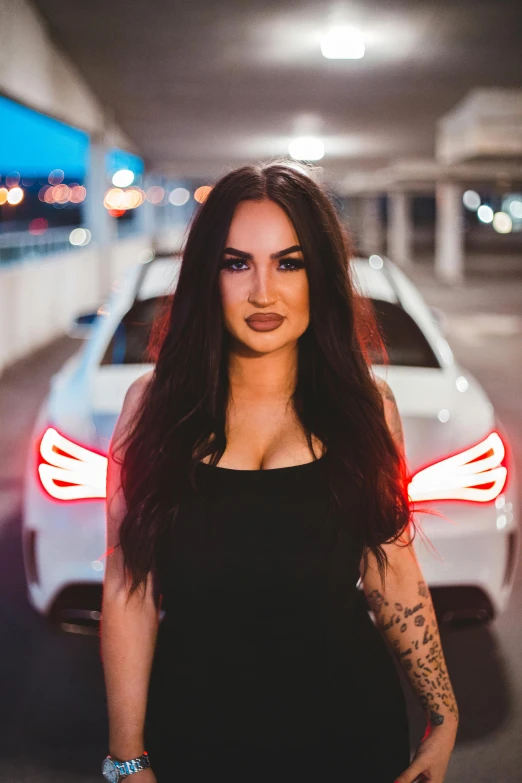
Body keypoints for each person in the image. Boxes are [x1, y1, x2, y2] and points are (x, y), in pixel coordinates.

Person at [100, 159, 459, 783]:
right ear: (207, 277)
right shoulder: (151, 408)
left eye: (288, 263)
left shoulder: (367, 407)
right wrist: (128, 759)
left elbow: (391, 568)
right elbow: (128, 590)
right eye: (237, 263)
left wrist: (445, 715)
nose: (263, 291)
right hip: (196, 735)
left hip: (350, 732)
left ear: (319, 275)